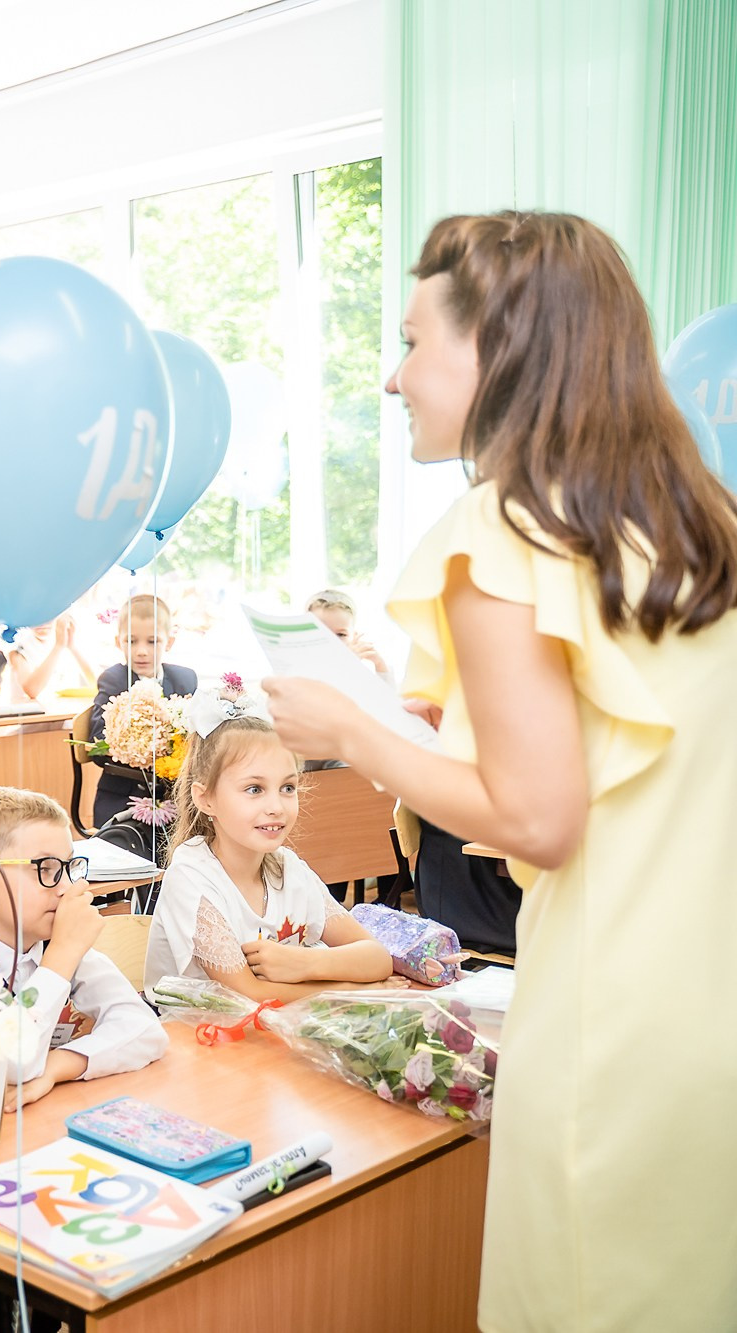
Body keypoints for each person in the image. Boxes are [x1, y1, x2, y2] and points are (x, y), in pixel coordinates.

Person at [262, 212, 737, 1333]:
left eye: (414, 339)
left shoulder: (505, 529)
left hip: (605, 1019)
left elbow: (538, 813)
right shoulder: (691, 523)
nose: (392, 377)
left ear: (501, 351)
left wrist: (352, 729)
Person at [142, 703, 394, 1000]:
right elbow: (247, 995)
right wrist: (347, 987)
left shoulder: (289, 869)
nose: (276, 807)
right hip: (202, 1038)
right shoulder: (190, 878)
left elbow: (378, 958)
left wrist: (302, 964)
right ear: (206, 799)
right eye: (254, 789)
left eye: (287, 788)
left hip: (284, 1029)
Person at [0, 787, 167, 1109]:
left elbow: (145, 1030)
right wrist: (62, 955)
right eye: (44, 869)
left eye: (68, 868)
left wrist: (56, 1068)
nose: (67, 888)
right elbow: (11, 1066)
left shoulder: (52, 941)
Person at [88, 594, 197, 826]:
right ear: (119, 642)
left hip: (175, 797)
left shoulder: (185, 679)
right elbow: (96, 743)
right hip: (123, 796)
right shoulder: (113, 680)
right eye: (131, 641)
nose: (141, 651)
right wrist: (142, 747)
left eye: (152, 641)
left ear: (169, 642)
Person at [305, 589, 391, 680]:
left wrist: (380, 665)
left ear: (354, 637)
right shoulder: (304, 665)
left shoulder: (357, 668)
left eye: (341, 635)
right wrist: (347, 664)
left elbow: (386, 693)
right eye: (321, 632)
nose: (331, 640)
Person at [7, 614, 95, 701]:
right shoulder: (19, 649)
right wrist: (58, 646)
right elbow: (32, 691)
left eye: (48, 616)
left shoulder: (62, 641)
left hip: (63, 711)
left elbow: (96, 683)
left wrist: (72, 647)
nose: (42, 623)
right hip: (30, 713)